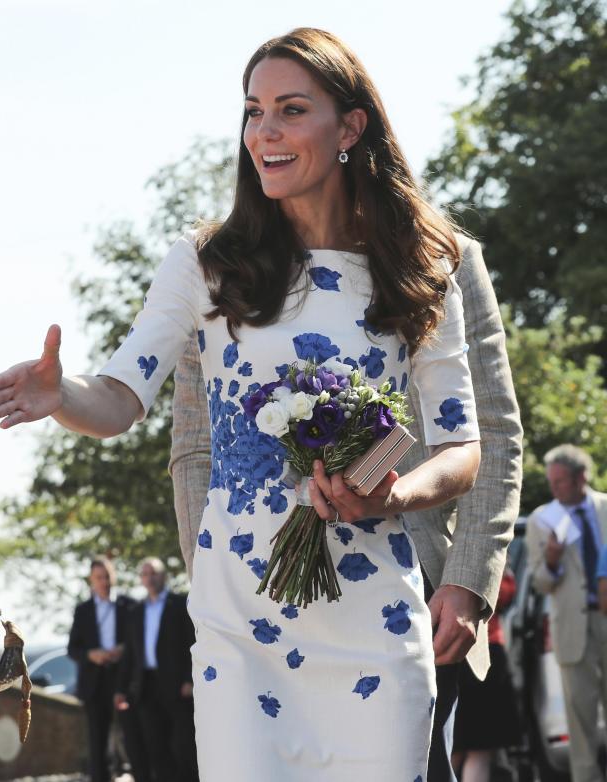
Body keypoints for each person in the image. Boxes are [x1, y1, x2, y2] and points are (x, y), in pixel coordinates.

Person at [0, 28, 484, 779]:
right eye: (253, 112)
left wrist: (395, 493)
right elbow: (119, 399)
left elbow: (461, 446)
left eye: (289, 110)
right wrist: (61, 395)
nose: (264, 133)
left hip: (373, 616)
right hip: (240, 623)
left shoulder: (419, 266)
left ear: (350, 128)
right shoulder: (206, 263)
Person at [169, 234, 522, 782]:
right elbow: (196, 448)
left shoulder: (443, 257)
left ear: (353, 141)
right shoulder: (224, 268)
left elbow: (490, 434)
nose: (266, 144)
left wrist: (469, 582)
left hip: (409, 601)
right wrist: (211, 577)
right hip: (247, 609)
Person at [527, 445, 607, 782]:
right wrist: (552, 561)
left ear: (581, 477)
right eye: (552, 482)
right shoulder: (542, 519)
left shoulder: (605, 507)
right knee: (580, 720)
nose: (555, 488)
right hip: (572, 628)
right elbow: (539, 583)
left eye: (560, 481)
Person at [115, 558, 197, 782]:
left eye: (154, 573)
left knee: (184, 746)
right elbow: (130, 654)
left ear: (163, 576)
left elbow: (192, 643)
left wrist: (190, 679)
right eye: (145, 574)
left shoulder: (180, 604)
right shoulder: (137, 611)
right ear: (141, 579)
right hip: (146, 687)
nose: (149, 578)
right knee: (155, 746)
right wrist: (121, 688)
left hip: (176, 686)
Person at [68, 557, 148, 782]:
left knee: (133, 737)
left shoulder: (129, 605)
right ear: (91, 580)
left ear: (114, 577)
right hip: (95, 682)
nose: (104, 582)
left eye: (107, 577)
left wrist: (125, 648)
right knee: (97, 743)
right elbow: (73, 649)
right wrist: (91, 655)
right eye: (99, 578)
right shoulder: (82, 610)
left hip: (124, 680)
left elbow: (140, 641)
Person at [451, 568, 521, 781]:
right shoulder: (480, 545)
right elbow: (500, 593)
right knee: (476, 749)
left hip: (453, 650)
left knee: (456, 747)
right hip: (480, 652)